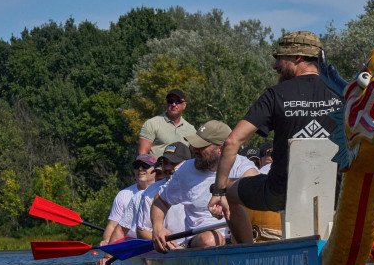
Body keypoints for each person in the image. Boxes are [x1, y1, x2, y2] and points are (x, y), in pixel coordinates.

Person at [209, 31, 343, 244]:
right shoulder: (343, 94)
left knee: (228, 192)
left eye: (280, 59)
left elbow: (232, 142)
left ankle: (248, 257)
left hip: (280, 191)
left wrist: (218, 190)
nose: (276, 66)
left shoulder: (276, 94)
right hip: (336, 193)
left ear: (297, 58)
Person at [152, 120, 258, 251]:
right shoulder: (185, 170)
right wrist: (157, 228)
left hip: (239, 236)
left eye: (201, 146)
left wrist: (230, 202)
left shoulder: (243, 167)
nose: (194, 149)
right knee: (210, 239)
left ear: (221, 149)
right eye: (194, 144)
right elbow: (160, 201)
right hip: (201, 241)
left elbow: (255, 189)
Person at [100, 153, 156, 245]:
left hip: (156, 240)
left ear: (155, 170)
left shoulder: (163, 191)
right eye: (136, 166)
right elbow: (112, 225)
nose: (140, 169)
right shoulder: (123, 195)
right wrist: (107, 241)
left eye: (145, 166)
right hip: (131, 244)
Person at [138, 88, 197, 157]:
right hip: (158, 167)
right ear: (166, 103)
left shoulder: (191, 130)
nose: (174, 104)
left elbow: (197, 154)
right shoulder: (152, 124)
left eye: (178, 101)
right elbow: (142, 154)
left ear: (184, 105)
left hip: (183, 168)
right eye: (170, 101)